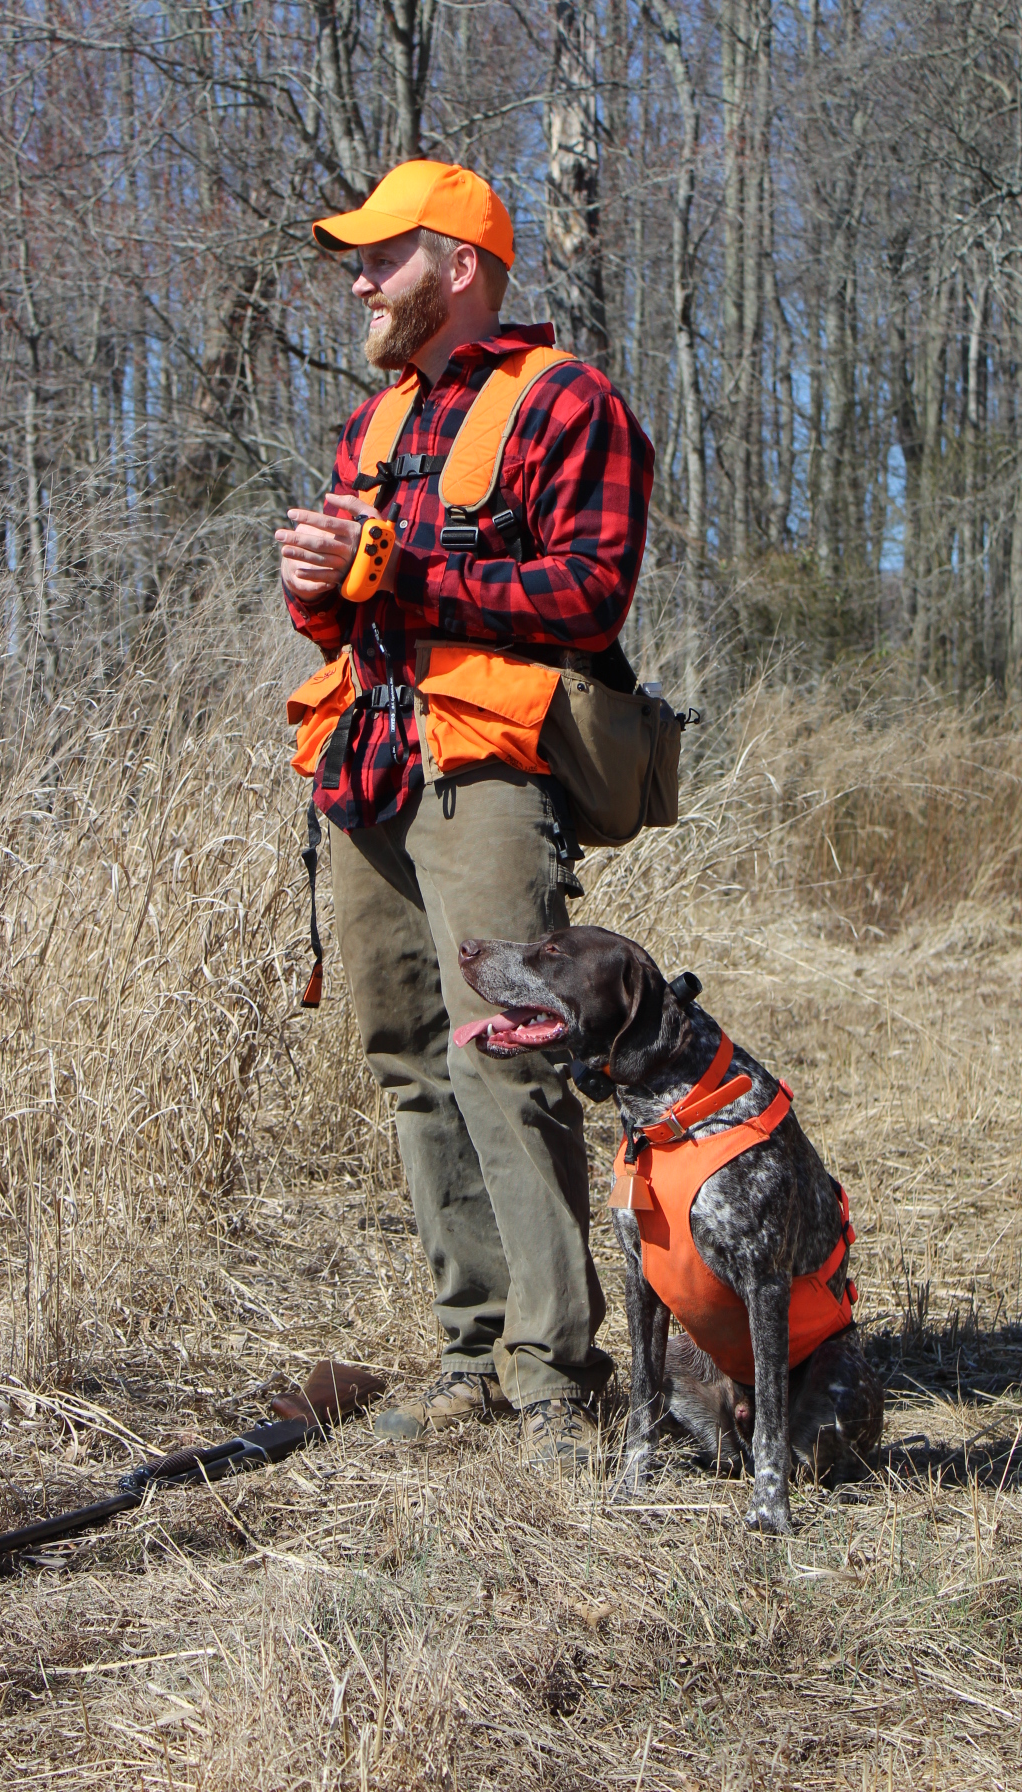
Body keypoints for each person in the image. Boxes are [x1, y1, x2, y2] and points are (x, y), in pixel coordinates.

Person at [276, 159, 653, 1470]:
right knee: (408, 1056)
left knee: (507, 1051)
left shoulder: (566, 403)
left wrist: (395, 565)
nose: (362, 282)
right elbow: (351, 610)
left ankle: (555, 1378)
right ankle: (469, 1358)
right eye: (359, 262)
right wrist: (320, 587)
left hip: (488, 765)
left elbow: (589, 597)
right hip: (366, 763)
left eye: (385, 257)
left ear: (463, 265)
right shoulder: (372, 426)